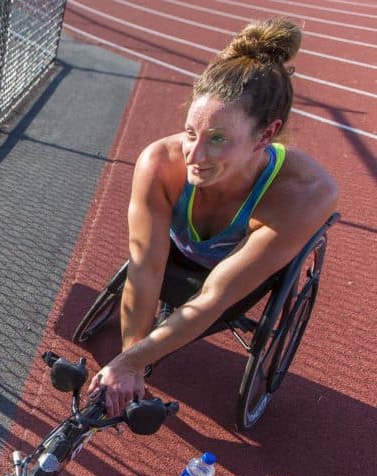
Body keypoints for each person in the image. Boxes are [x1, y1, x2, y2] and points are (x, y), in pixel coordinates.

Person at [88, 17, 338, 417]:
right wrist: (134, 358)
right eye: (191, 133)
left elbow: (214, 298)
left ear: (265, 136)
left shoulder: (303, 193)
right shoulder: (159, 162)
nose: (195, 155)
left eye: (218, 139)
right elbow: (146, 268)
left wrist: (131, 363)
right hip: (176, 253)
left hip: (237, 272)